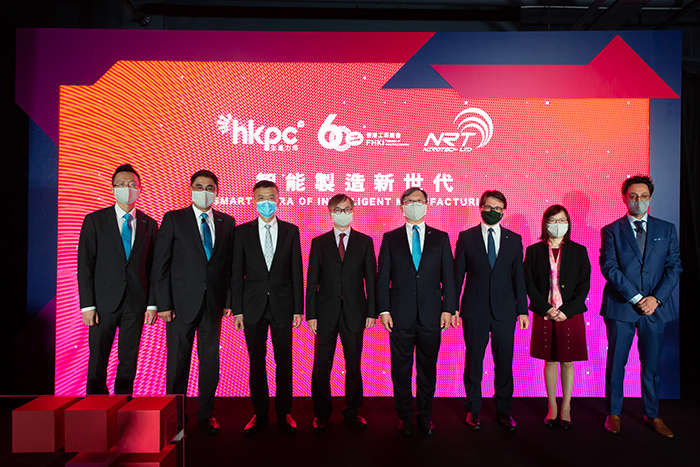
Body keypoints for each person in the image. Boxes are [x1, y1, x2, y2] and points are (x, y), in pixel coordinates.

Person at [151, 170, 235, 435]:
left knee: (210, 362)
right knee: (178, 363)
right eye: (199, 187)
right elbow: (160, 265)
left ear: (217, 191)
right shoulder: (174, 219)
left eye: (210, 187)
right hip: (179, 305)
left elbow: (230, 266)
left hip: (213, 305)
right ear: (191, 189)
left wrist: (229, 300)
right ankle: (175, 416)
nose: (204, 191)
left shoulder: (227, 222)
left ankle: (205, 413)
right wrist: (163, 304)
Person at [600, 175, 681, 438]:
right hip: (622, 307)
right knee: (617, 362)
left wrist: (655, 299)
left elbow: (674, 267)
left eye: (644, 196)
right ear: (625, 197)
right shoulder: (611, 230)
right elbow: (609, 268)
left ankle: (653, 414)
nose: (638, 201)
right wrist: (636, 298)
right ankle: (614, 413)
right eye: (633, 196)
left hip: (655, 309)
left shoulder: (666, 229)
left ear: (650, 197)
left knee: (651, 365)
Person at [376, 187, 456, 436]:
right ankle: (404, 415)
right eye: (409, 202)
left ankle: (425, 414)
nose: (414, 205)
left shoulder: (441, 238)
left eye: (419, 201)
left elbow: (449, 278)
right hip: (399, 314)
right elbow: (383, 278)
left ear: (427, 205)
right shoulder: (390, 238)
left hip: (432, 314)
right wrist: (384, 310)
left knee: (427, 367)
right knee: (400, 368)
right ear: (401, 207)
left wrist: (449, 308)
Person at [78, 164, 158, 395]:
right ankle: (96, 408)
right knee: (98, 360)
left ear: (140, 189)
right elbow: (85, 265)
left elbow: (153, 268)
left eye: (132, 184)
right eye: (121, 184)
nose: (127, 188)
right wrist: (88, 305)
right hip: (103, 303)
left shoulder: (149, 224)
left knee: (128, 360)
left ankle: (123, 405)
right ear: (113, 188)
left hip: (136, 303)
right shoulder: (95, 220)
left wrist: (152, 304)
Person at [231, 180, 303, 435]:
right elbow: (236, 273)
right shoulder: (242, 232)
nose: (266, 202)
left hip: (284, 307)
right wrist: (237, 310)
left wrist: (298, 309)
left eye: (270, 197)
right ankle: (260, 412)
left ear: (279, 199)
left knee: (284, 362)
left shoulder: (291, 231)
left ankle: (284, 412)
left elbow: (296, 271)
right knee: (256, 362)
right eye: (261, 198)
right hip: (252, 307)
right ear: (253, 201)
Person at [454, 190, 529, 431]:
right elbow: (457, 277)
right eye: (488, 207)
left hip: (505, 311)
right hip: (474, 310)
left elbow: (519, 278)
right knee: (474, 360)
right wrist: (452, 308)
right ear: (480, 208)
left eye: (497, 208)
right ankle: (473, 409)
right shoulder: (466, 238)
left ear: (504, 211)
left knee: (504, 363)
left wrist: (523, 311)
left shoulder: (514, 239)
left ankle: (504, 410)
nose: (492, 211)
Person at [306, 194, 377, 432]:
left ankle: (353, 410)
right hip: (325, 313)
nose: (343, 213)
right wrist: (311, 314)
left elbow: (371, 280)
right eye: (338, 209)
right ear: (330, 212)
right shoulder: (319, 242)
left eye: (347, 209)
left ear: (353, 211)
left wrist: (372, 312)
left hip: (356, 313)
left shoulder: (365, 242)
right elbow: (312, 281)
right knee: (322, 364)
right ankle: (322, 412)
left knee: (354, 364)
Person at [524, 205, 591, 428]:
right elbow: (529, 284)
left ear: (569, 223)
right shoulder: (533, 251)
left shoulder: (579, 251)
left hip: (569, 314)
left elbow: (584, 285)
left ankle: (566, 406)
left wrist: (567, 311)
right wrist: (545, 309)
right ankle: (552, 405)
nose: (557, 224)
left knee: (568, 361)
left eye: (562, 220)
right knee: (550, 361)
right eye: (553, 220)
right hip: (545, 314)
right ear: (545, 224)